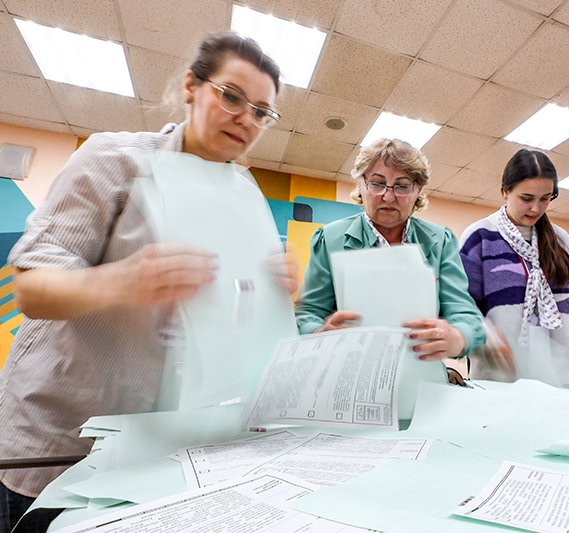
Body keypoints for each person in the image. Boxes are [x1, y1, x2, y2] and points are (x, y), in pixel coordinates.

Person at [0, 32, 295, 532]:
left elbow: (222, 320)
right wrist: (124, 280)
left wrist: (266, 291)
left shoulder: (245, 194)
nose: (246, 118)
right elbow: (31, 289)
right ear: (191, 86)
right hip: (56, 437)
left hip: (153, 447)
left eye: (262, 112)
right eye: (231, 96)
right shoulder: (113, 159)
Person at [294, 138, 485, 361]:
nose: (388, 196)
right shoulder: (330, 239)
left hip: (419, 368)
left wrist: (459, 337)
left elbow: (466, 314)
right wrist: (319, 333)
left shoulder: (440, 241)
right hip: (349, 367)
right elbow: (306, 314)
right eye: (377, 183)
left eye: (403, 186)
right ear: (361, 185)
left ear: (418, 191)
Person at [459, 148, 569, 392]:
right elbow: (462, 304)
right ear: (505, 190)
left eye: (545, 198)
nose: (536, 208)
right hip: (500, 382)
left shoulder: (560, 240)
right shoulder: (479, 237)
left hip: (563, 379)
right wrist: (487, 337)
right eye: (526, 198)